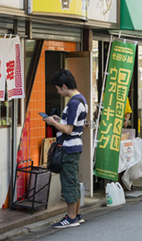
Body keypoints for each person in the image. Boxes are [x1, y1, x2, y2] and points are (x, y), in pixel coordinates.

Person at [43, 69, 88, 228]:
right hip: (74, 147)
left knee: (69, 182)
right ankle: (76, 214)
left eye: (57, 89)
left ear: (63, 86)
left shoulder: (74, 102)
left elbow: (68, 129)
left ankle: (71, 217)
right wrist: (59, 119)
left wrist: (53, 122)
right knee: (73, 181)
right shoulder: (81, 99)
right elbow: (70, 124)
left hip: (69, 147)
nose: (57, 91)